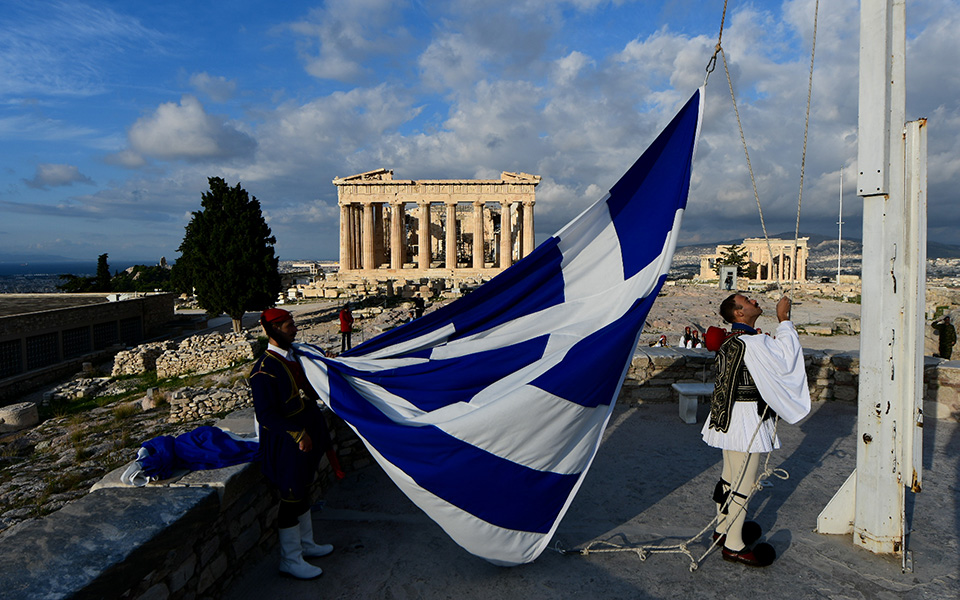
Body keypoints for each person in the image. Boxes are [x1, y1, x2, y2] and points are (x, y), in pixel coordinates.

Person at [702, 294, 811, 567]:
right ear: (739, 313)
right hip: (745, 421)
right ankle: (734, 546)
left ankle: (724, 528)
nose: (753, 300)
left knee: (729, 477)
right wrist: (784, 320)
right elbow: (788, 358)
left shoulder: (732, 341)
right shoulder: (754, 342)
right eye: (746, 300)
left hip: (726, 418)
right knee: (743, 484)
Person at [251, 308, 335, 580]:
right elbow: (266, 415)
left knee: (303, 489)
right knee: (290, 498)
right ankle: (290, 558)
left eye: (293, 324)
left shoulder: (296, 357)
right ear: (273, 330)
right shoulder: (264, 370)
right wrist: (298, 434)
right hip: (287, 443)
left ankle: (306, 545)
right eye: (289, 326)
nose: (295, 329)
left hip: (309, 436)